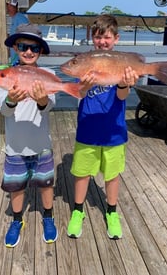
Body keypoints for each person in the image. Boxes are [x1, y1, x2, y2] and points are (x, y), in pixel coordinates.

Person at [67, 14, 139, 239]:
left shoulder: (122, 61)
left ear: (115, 38)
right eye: (98, 37)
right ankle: (78, 211)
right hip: (87, 130)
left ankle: (111, 211)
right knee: (82, 173)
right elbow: (79, 93)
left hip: (114, 132)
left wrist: (125, 82)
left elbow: (122, 94)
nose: (102, 42)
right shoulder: (87, 62)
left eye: (106, 37)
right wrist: (85, 86)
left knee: (112, 175)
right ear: (92, 39)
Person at [0, 23, 58, 248]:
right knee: (16, 187)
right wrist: (11, 99)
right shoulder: (8, 74)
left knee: (46, 184)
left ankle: (49, 216)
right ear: (15, 48)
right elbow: (3, 111)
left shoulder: (48, 74)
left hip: (41, 143)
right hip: (15, 145)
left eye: (34, 48)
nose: (29, 52)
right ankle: (16, 220)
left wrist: (43, 100)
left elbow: (49, 106)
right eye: (23, 46)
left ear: (40, 51)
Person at [6, 0, 29, 64]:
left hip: (21, 61)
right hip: (15, 60)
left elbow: (27, 37)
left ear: (10, 6)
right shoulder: (15, 18)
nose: (5, 8)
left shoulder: (20, 18)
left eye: (7, 5)